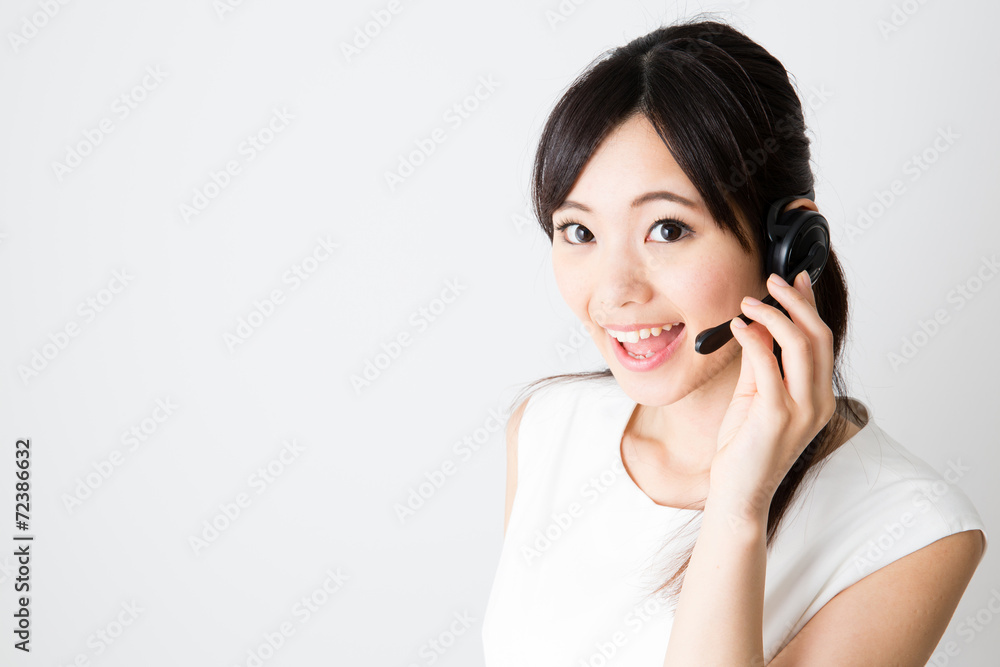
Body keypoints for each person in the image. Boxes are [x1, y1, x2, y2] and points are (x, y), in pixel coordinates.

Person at [481, 16, 988, 666]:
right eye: (579, 232)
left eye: (667, 229)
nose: (614, 292)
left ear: (789, 246)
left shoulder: (913, 527)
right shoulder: (547, 428)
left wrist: (738, 503)